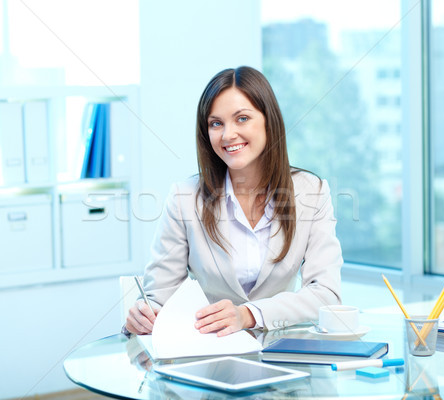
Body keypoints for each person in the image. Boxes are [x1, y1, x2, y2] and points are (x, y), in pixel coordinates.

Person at [125, 66, 342, 336]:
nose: (228, 135)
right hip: (209, 355)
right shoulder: (184, 198)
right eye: (216, 123)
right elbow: (159, 296)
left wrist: (248, 314)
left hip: (282, 353)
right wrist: (143, 315)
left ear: (268, 121)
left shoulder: (312, 192)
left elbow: (326, 295)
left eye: (242, 119)